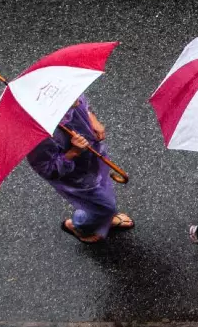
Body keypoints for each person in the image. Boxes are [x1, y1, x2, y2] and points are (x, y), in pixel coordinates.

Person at [26, 95, 133, 243]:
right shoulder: (40, 137)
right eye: (70, 99)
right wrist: (73, 152)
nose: (78, 99)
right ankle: (80, 225)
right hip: (78, 178)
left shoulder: (69, 97)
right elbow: (48, 170)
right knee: (105, 206)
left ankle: (103, 216)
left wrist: (92, 118)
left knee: (103, 197)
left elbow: (84, 103)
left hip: (93, 162)